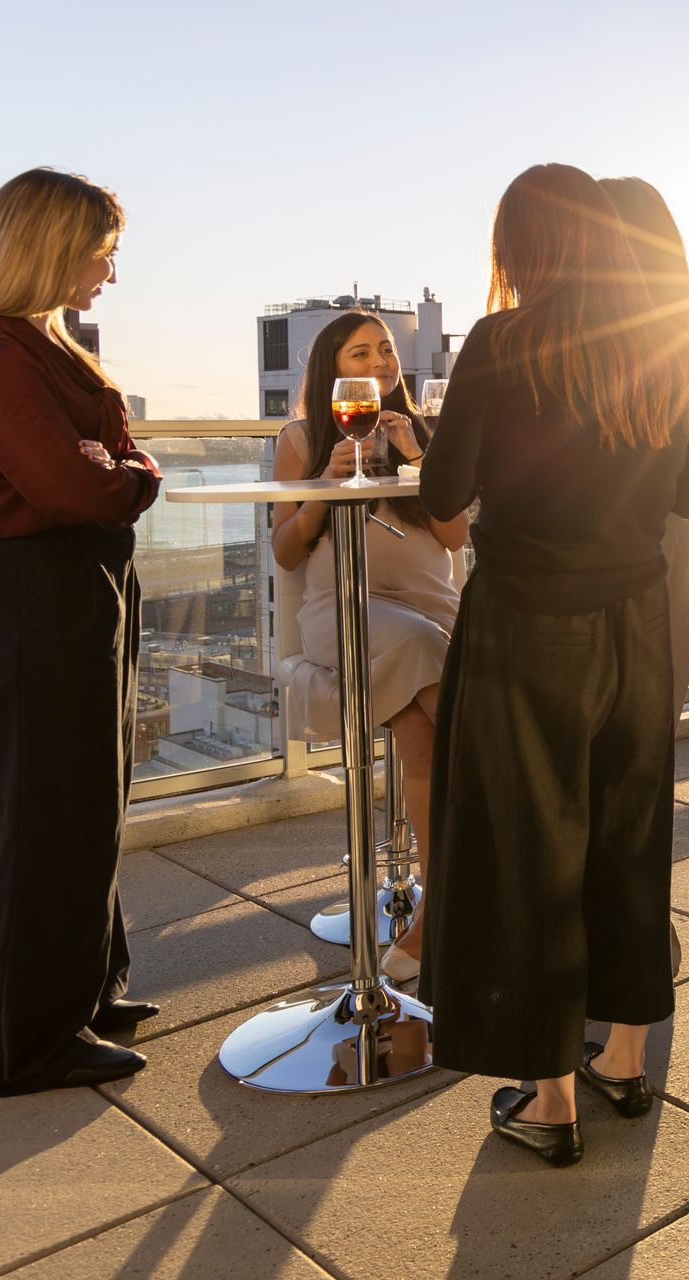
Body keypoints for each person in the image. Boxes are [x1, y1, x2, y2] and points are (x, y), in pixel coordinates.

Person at [419, 163, 689, 1167]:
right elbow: (686, 497)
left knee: (525, 856)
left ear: (521, 247)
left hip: (525, 627)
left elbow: (442, 495)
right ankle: (625, 1057)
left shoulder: (501, 345)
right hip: (636, 619)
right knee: (627, 837)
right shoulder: (675, 353)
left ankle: (549, 1097)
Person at [0, 168, 163, 1096]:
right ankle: (15, 1047)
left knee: (92, 797)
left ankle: (83, 993)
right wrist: (133, 475)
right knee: (49, 814)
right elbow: (76, 484)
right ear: (52, 247)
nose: (109, 272)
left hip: (83, 580)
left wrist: (114, 468)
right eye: (101, 252)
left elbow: (94, 468)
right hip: (42, 589)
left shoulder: (37, 346)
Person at [270, 311, 468, 980]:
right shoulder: (300, 439)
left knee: (417, 726)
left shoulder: (424, 434)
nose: (381, 361)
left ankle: (436, 914)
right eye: (362, 353)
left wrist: (419, 456)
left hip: (430, 610)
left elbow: (454, 535)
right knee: (434, 671)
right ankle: (481, 868)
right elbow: (286, 549)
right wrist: (326, 485)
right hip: (344, 610)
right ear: (333, 371)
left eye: (386, 349)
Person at [600, 176, 689, 979]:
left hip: (654, 555)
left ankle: (639, 943)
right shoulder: (678, 354)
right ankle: (627, 945)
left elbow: (684, 494)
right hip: (651, 549)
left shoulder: (666, 357)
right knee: (618, 761)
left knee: (634, 758)